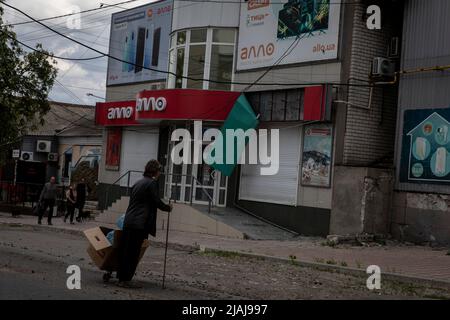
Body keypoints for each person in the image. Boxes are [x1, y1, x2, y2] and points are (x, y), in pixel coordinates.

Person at [117, 159, 172, 288]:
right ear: (155, 171)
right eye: (159, 171)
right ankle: (125, 280)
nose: (160, 173)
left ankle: (121, 278)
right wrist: (168, 208)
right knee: (133, 253)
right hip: (139, 224)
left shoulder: (138, 182)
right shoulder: (152, 183)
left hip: (129, 221)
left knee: (126, 251)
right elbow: (156, 201)